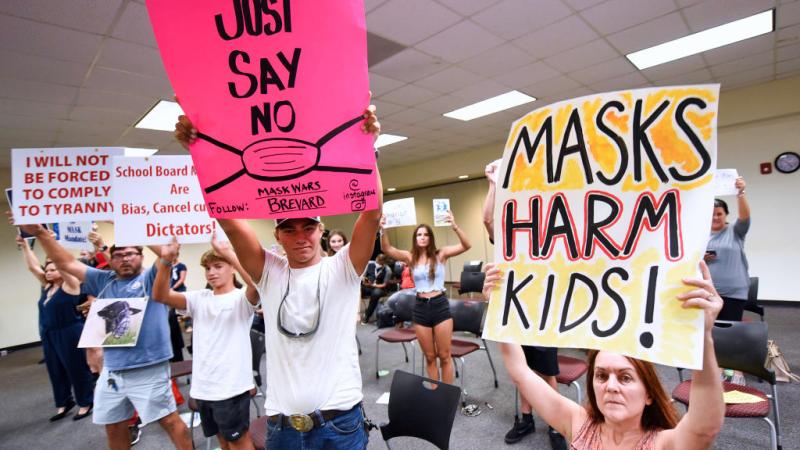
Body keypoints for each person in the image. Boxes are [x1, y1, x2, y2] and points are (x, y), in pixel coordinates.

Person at [174, 104, 381, 449]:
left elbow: (372, 214)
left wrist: (367, 149)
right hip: (283, 427)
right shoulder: (269, 272)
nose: (300, 236)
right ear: (278, 235)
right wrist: (201, 151)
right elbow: (228, 218)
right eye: (289, 229)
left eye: (309, 227)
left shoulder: (342, 268)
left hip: (340, 423)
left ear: (321, 230)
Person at [482, 261, 725, 450]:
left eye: (625, 378)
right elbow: (521, 373)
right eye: (601, 376)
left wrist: (703, 336)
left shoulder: (663, 444)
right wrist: (499, 307)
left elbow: (705, 429)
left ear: (649, 393)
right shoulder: (579, 424)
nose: (611, 386)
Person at [15, 222, 193, 450]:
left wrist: (125, 221)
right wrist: (40, 233)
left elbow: (166, 257)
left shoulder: (151, 277)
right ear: (110, 259)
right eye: (118, 255)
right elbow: (66, 263)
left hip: (148, 367)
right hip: (113, 369)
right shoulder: (103, 280)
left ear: (141, 255)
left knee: (169, 421)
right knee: (114, 425)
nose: (124, 258)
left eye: (130, 253)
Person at [483, 159, 567, 448]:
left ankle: (556, 424)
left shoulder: (552, 240)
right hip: (517, 314)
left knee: (547, 373)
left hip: (544, 314)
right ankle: (527, 419)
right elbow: (487, 220)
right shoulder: (510, 241)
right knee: (523, 372)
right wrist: (494, 185)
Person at [153, 235, 259, 450]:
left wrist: (229, 253)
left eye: (218, 266)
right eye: (207, 268)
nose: (211, 272)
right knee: (222, 441)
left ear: (232, 268)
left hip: (231, 387)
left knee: (239, 442)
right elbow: (160, 295)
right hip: (203, 388)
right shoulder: (199, 298)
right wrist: (165, 261)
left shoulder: (241, 298)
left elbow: (257, 283)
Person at [379, 211, 471, 383]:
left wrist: (455, 226)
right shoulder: (410, 257)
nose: (422, 237)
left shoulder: (440, 254)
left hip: (440, 305)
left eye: (426, 234)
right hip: (421, 307)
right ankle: (436, 394)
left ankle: (447, 395)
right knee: (429, 356)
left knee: (444, 355)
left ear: (430, 238)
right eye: (419, 234)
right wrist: (384, 229)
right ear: (415, 238)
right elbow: (387, 249)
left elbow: (466, 245)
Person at [16, 234, 94, 421]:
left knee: (75, 368)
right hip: (49, 333)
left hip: (69, 331)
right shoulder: (47, 287)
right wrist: (25, 245)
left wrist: (50, 244)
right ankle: (64, 402)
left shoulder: (71, 285)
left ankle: (85, 401)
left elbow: (64, 264)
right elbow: (33, 267)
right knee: (55, 369)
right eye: (47, 270)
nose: (48, 272)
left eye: (53, 269)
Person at [706, 176, 750, 321]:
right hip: (708, 292)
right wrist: (701, 257)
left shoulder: (736, 231)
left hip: (733, 293)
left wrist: (741, 193)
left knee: (729, 334)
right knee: (708, 332)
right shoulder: (700, 235)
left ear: (726, 215)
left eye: (719, 214)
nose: (715, 217)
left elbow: (745, 216)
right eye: (712, 214)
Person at [361, 254, 391, 323]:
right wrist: (364, 281)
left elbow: (384, 285)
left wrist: (373, 285)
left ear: (384, 262)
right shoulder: (369, 264)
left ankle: (367, 315)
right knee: (356, 289)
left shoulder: (387, 270)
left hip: (380, 289)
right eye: (377, 261)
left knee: (376, 293)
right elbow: (363, 275)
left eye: (380, 262)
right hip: (368, 286)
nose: (377, 263)